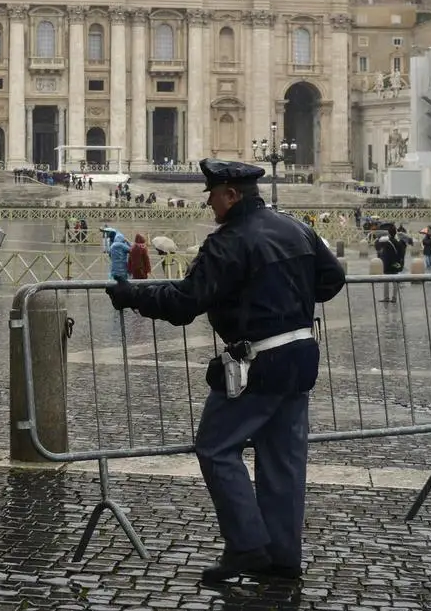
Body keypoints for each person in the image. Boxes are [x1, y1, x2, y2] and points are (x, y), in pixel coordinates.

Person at [107, 159, 345, 586]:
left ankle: (248, 544)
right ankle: (284, 558)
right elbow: (332, 279)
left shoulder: (229, 241)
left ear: (231, 194)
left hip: (257, 362)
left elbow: (184, 302)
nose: (210, 205)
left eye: (213, 195)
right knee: (284, 459)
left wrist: (132, 296)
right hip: (301, 356)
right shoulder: (295, 227)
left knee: (216, 447)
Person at [374, 223, 406, 303]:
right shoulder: (397, 242)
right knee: (395, 281)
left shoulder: (386, 242)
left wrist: (378, 238)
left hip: (388, 264)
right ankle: (394, 298)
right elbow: (401, 253)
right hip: (395, 264)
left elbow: (377, 246)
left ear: (388, 233)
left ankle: (386, 297)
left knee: (386, 281)